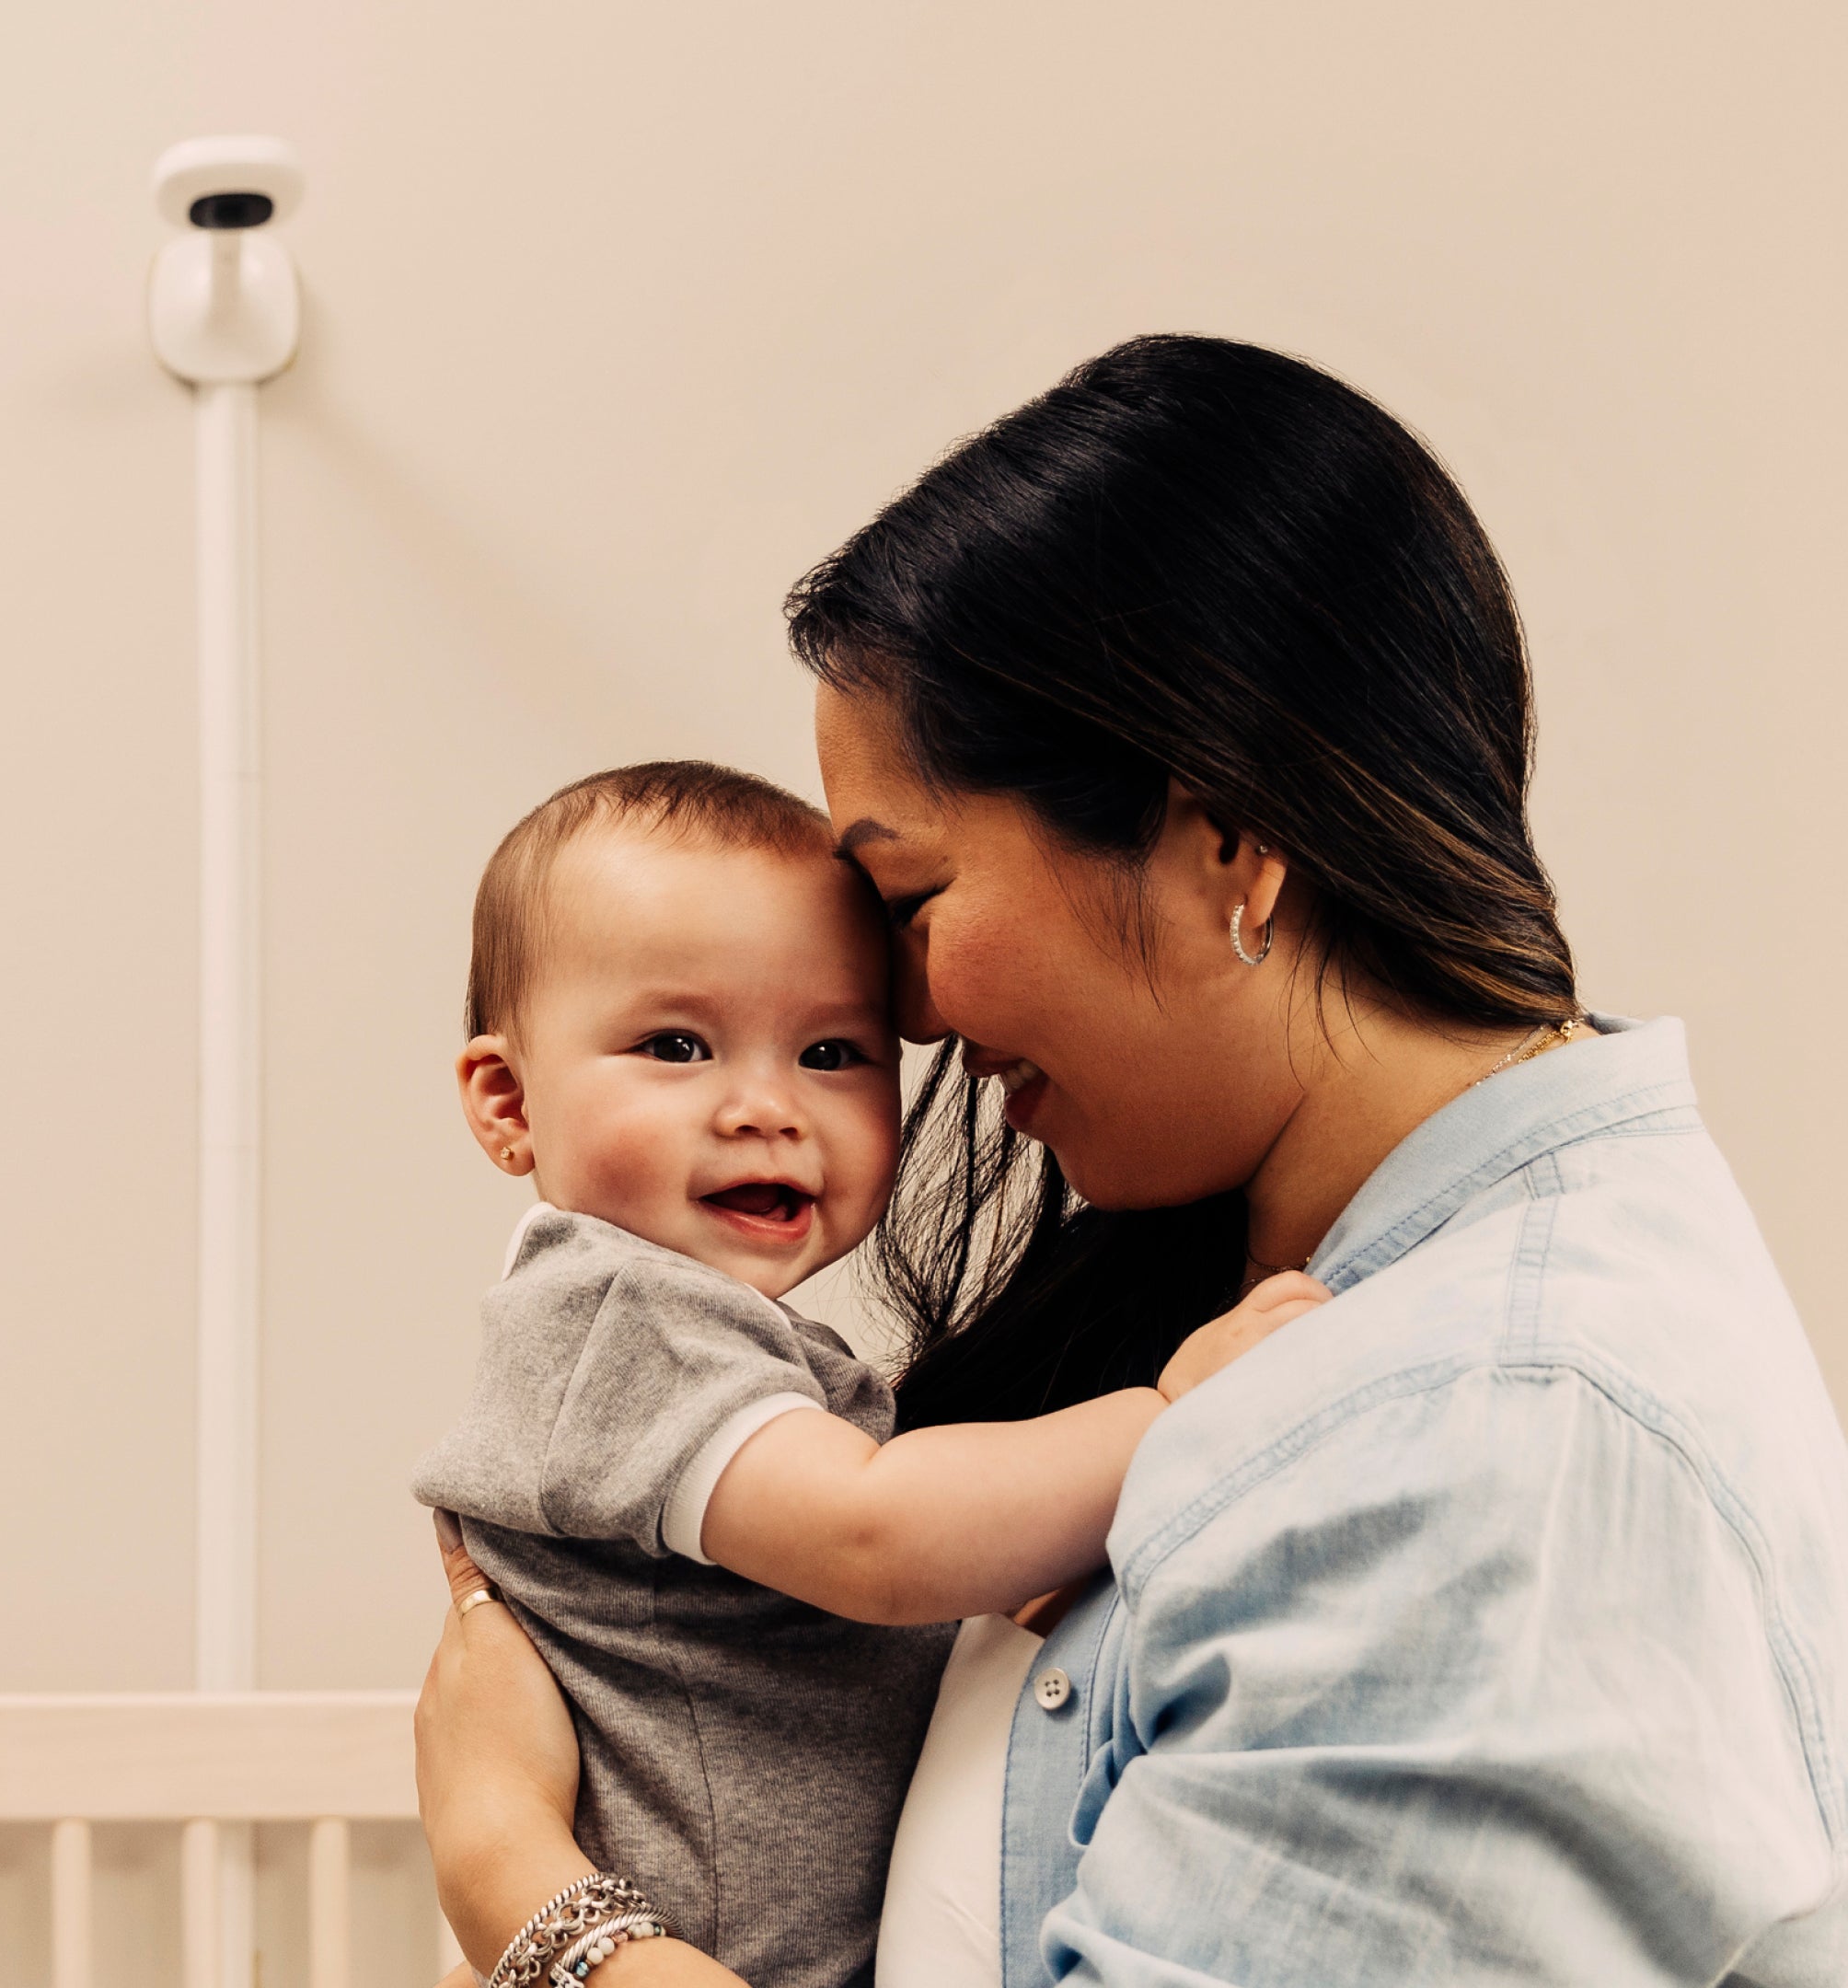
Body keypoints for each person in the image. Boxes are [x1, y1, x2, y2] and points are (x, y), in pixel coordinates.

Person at [416, 337, 1848, 1987]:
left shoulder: (1488, 1444)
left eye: (915, 902)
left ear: (1226, 841)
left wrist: (520, 1883)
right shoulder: (1299, 1308)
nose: (911, 1015)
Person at [413, 757, 1321, 1988]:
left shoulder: (748, 1351)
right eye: (678, 1045)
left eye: (834, 1052)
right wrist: (1166, 1417)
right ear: (507, 1099)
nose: (766, 1108)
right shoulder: (615, 1320)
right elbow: (874, 1537)